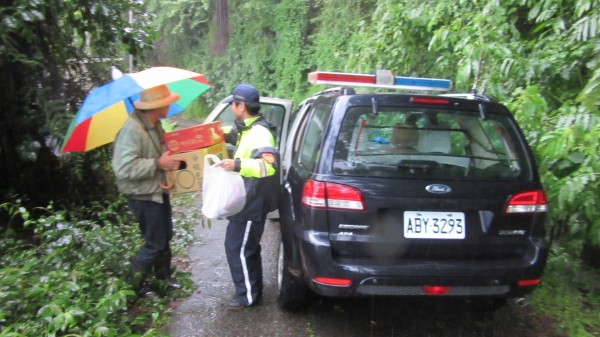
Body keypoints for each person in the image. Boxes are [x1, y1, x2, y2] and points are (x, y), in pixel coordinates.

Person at [112, 84, 184, 297]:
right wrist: (157, 163)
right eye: (167, 102)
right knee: (154, 243)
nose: (170, 105)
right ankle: (133, 287)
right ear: (157, 106)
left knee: (166, 235)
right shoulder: (131, 130)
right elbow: (123, 168)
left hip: (157, 190)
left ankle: (164, 279)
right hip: (142, 194)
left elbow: (159, 153)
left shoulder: (154, 124)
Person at [217, 83, 277, 309]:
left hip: (252, 202)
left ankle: (248, 297)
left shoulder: (260, 132)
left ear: (241, 106)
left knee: (238, 248)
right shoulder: (248, 129)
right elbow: (235, 136)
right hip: (245, 199)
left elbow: (268, 165)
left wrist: (237, 164)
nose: (232, 108)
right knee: (246, 247)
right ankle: (252, 291)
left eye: (233, 104)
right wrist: (214, 133)